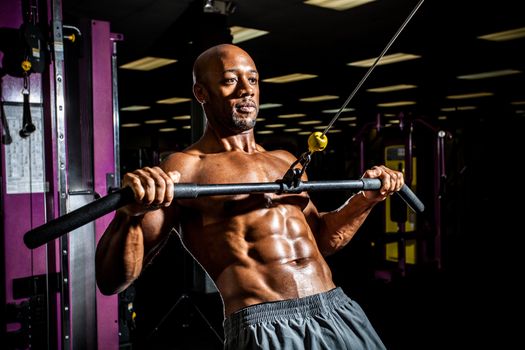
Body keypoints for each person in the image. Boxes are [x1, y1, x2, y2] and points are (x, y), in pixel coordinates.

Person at [95, 43, 404, 349]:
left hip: (337, 309)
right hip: (266, 324)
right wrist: (130, 217)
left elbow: (322, 239)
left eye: (253, 80)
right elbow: (111, 280)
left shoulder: (285, 161)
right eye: (231, 80)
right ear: (201, 93)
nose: (246, 90)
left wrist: (365, 200)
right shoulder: (184, 168)